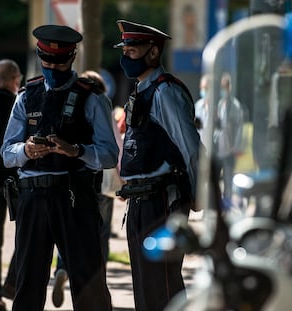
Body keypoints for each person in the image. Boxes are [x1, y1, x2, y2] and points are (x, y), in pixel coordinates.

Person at [0, 25, 117, 311]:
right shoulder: (27, 94)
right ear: (40, 57)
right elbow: (7, 152)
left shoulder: (92, 97)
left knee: (89, 284)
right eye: (47, 61)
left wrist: (75, 150)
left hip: (73, 196)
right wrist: (26, 150)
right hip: (32, 198)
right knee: (28, 284)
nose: (52, 67)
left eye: (59, 62)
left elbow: (109, 155)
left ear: (72, 57)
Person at [113, 20, 201, 310]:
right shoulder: (141, 90)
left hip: (163, 199)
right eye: (125, 49)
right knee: (144, 283)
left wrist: (199, 193)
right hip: (140, 200)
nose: (127, 56)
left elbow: (190, 147)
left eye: (133, 50)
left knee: (163, 282)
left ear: (153, 53)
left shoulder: (166, 92)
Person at [51, 69, 123, 308]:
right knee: (99, 234)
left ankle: (62, 267)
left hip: (76, 180)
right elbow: (116, 146)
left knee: (68, 232)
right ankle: (97, 274)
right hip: (102, 181)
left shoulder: (73, 109)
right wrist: (123, 177)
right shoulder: (103, 108)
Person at [0, 59, 22, 311]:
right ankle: (11, 284)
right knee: (29, 234)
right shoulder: (17, 105)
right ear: (14, 79)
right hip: (15, 182)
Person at [214, 72, 244, 200]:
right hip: (219, 148)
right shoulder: (220, 104)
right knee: (216, 180)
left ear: (229, 87)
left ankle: (227, 203)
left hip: (230, 149)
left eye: (225, 86)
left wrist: (235, 146)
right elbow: (217, 125)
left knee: (228, 179)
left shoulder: (235, 106)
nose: (223, 89)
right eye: (222, 86)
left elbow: (239, 127)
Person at [194, 73, 211, 144]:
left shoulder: (217, 106)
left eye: (206, 88)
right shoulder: (198, 105)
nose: (203, 90)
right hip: (200, 147)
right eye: (202, 88)